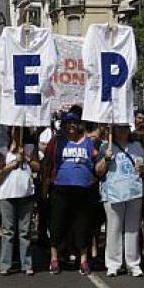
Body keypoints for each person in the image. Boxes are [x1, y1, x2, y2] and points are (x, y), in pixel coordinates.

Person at [47, 108, 98, 275]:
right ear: (63, 125)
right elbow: (47, 162)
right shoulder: (57, 141)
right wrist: (45, 183)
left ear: (79, 125)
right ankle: (54, 259)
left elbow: (96, 161)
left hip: (83, 190)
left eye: (74, 123)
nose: (71, 126)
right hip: (61, 188)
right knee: (57, 224)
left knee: (82, 225)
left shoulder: (89, 142)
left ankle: (83, 260)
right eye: (68, 123)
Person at [97, 124, 144, 277]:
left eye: (125, 128)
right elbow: (99, 171)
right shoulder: (106, 146)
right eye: (119, 128)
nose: (123, 131)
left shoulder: (137, 146)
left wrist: (143, 168)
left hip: (133, 191)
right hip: (113, 192)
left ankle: (133, 264)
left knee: (133, 229)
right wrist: (106, 158)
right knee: (114, 229)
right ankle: (113, 263)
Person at [0, 132, 40, 275]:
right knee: (8, 231)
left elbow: (37, 166)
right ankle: (5, 265)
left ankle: (26, 264)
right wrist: (14, 162)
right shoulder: (4, 150)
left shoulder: (30, 147)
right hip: (7, 194)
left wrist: (26, 158)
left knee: (24, 231)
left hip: (25, 194)